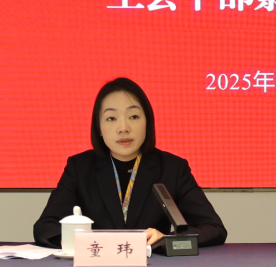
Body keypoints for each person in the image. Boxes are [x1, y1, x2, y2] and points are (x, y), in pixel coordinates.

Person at [34, 78, 227, 248]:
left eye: (134, 117)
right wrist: (86, 243)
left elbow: (214, 228)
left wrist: (166, 239)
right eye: (111, 118)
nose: (123, 128)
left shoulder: (172, 168)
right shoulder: (80, 168)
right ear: (99, 127)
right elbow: (45, 228)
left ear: (147, 122)